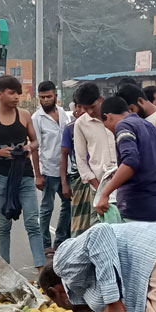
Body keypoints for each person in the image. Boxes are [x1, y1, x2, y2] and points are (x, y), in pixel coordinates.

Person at [0, 75, 45, 271]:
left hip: (25, 174)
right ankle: (3, 268)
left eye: (18, 94)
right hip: (2, 177)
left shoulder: (24, 115)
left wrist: (29, 148)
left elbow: (36, 141)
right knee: (4, 225)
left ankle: (41, 268)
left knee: (32, 222)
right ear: (0, 94)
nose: (16, 97)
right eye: (12, 93)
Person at [94, 96, 156, 223]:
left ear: (108, 116)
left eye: (106, 126)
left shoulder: (123, 126)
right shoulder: (153, 129)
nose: (110, 131)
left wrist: (105, 194)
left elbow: (130, 161)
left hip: (134, 210)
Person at [32, 80, 71, 250]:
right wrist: (38, 174)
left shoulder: (63, 114)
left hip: (67, 168)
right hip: (48, 169)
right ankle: (45, 244)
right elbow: (34, 148)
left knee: (68, 204)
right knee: (47, 208)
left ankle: (61, 240)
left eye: (48, 96)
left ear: (56, 96)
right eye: (42, 97)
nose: (45, 100)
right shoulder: (37, 118)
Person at [73, 82, 117, 231]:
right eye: (85, 108)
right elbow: (81, 161)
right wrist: (99, 189)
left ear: (100, 99)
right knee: (98, 230)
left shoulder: (116, 117)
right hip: (97, 185)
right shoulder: (80, 124)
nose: (89, 112)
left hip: (123, 184)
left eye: (92, 106)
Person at [61, 100, 92, 237]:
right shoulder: (70, 128)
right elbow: (63, 157)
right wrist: (64, 184)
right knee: (78, 220)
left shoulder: (100, 125)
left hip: (97, 178)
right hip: (78, 179)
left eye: (85, 106)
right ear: (75, 109)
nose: (82, 110)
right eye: (79, 106)